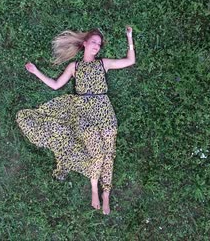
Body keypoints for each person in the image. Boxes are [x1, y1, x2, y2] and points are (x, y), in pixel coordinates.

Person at [16, 26, 135, 215]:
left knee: (108, 153)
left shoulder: (103, 63)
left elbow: (130, 61)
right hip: (83, 112)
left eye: (99, 44)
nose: (97, 46)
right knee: (97, 153)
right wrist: (36, 71)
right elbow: (55, 85)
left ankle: (106, 194)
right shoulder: (74, 67)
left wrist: (129, 37)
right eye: (94, 42)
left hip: (104, 110)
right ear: (85, 43)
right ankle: (95, 190)